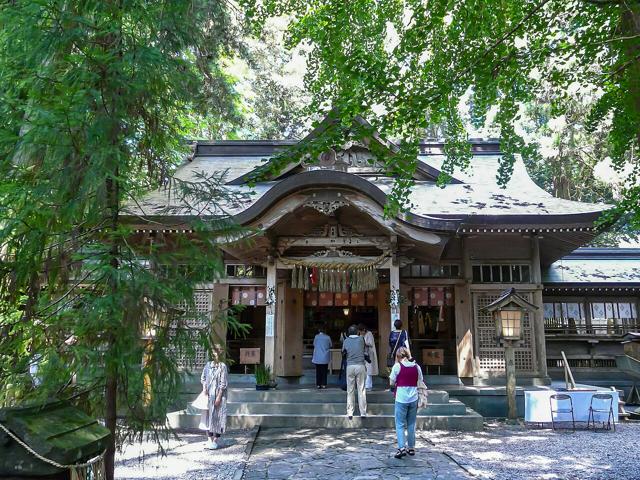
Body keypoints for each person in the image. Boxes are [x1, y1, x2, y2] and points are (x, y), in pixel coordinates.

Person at [389, 347, 423, 459]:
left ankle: (401, 448)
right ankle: (411, 447)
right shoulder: (417, 366)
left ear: (398, 356)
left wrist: (394, 386)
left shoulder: (397, 366)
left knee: (399, 424)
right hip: (414, 397)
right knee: (411, 423)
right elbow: (420, 380)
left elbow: (391, 382)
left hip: (401, 398)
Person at [200, 348, 228, 450]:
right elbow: (203, 378)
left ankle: (215, 440)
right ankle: (209, 439)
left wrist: (219, 397)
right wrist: (204, 388)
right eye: (213, 353)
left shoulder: (222, 367)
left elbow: (223, 383)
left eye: (216, 352)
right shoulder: (208, 365)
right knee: (207, 416)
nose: (215, 355)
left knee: (218, 417)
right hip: (208, 395)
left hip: (218, 395)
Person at [342, 324, 368, 419]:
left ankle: (350, 412)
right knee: (361, 389)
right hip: (360, 365)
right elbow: (364, 349)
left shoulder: (346, 341)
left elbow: (343, 352)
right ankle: (363, 412)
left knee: (350, 390)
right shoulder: (361, 339)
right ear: (357, 332)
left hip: (350, 366)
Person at [358, 323, 378, 391]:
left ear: (364, 329)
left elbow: (370, 343)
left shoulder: (369, 334)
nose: (360, 332)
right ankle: (366, 385)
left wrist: (363, 342)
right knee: (364, 370)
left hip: (369, 354)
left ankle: (368, 386)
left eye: (361, 331)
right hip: (363, 354)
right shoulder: (360, 334)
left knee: (369, 370)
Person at [312, 323, 332, 389]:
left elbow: (314, 344)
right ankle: (324, 384)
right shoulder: (328, 337)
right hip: (325, 356)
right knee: (324, 371)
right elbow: (330, 345)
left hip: (318, 357)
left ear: (319, 330)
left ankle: (318, 384)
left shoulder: (316, 337)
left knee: (318, 371)